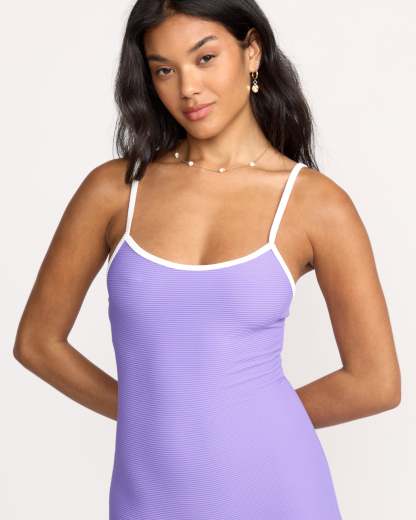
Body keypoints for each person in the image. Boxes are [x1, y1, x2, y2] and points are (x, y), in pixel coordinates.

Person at [13, 1, 401, 518]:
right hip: (149, 494)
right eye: (164, 70)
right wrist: (154, 416)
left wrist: (240, 423)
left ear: (252, 52)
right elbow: (38, 343)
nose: (187, 88)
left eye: (205, 58)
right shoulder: (115, 191)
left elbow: (376, 382)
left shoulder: (315, 204)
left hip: (279, 489)